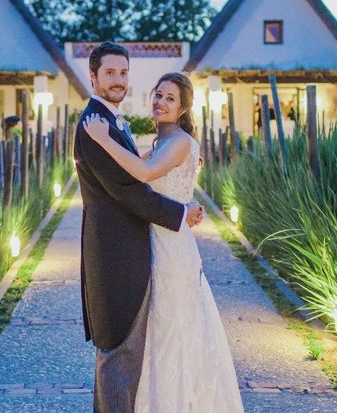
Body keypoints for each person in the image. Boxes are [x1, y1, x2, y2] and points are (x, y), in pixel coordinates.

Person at [82, 65, 244, 412]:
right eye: (158, 94)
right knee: (155, 331)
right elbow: (135, 182)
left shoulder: (181, 141)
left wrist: (103, 138)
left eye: (170, 98)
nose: (161, 102)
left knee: (172, 329)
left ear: (183, 109)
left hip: (171, 249)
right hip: (155, 239)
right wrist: (184, 208)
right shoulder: (163, 141)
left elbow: (144, 174)